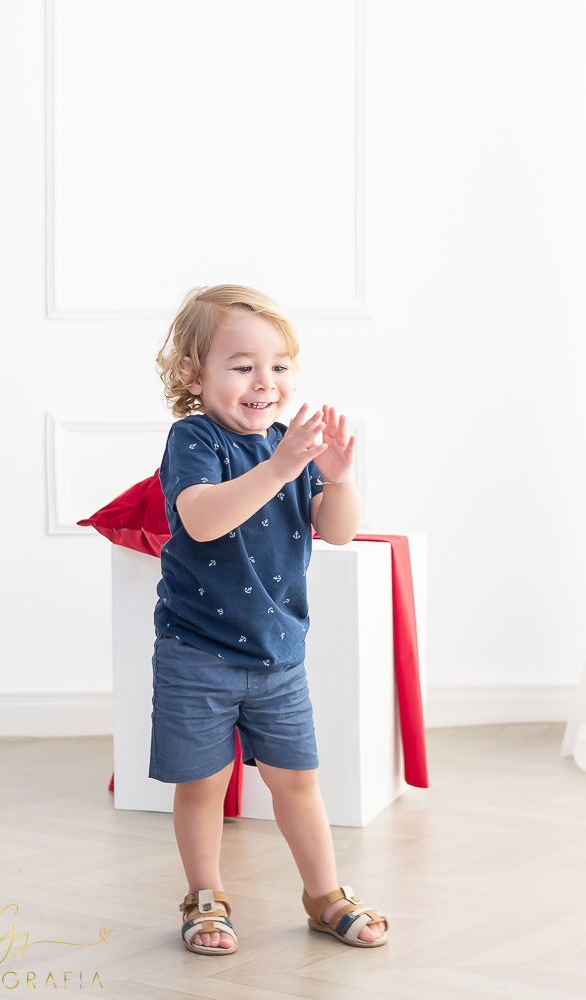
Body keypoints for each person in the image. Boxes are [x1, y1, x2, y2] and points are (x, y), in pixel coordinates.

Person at [152, 285, 388, 955]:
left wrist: (336, 479)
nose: (265, 381)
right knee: (202, 785)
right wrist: (282, 468)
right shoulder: (193, 439)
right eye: (242, 365)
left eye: (280, 365)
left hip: (277, 653)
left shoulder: (290, 446)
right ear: (195, 375)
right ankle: (205, 897)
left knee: (297, 782)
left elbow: (336, 532)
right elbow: (202, 517)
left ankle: (323, 895)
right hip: (195, 651)